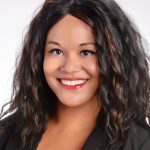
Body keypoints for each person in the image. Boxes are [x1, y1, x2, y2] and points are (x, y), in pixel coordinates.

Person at [0, 0, 150, 149]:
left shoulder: (139, 142)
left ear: (115, 59)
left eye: (87, 52)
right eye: (56, 51)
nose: (70, 68)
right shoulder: (6, 133)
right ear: (38, 58)